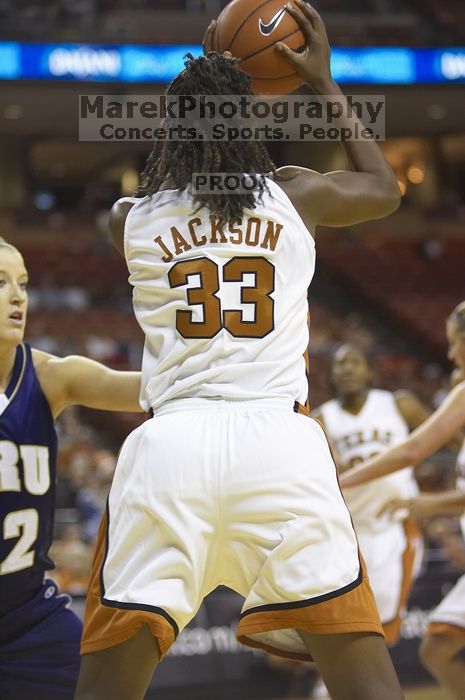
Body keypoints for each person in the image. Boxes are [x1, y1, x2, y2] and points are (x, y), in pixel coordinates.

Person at [73, 3, 405, 699]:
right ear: (247, 123)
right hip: (280, 445)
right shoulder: (294, 194)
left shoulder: (127, 220)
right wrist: (323, 82)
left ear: (173, 128)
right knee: (367, 685)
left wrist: (211, 70)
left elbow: (169, 191)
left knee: (108, 686)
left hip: (170, 448)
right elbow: (382, 189)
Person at [0, 237, 143, 700]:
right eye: (0, 283)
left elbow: (150, 388)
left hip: (28, 617)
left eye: (22, 283)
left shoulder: (48, 377)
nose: (18, 296)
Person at [341, 302, 465, 700]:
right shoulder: (327, 417)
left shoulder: (454, 394)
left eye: (453, 343)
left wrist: (341, 482)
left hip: (387, 531)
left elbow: (411, 451)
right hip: (357, 531)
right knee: (438, 647)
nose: (449, 354)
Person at [313, 344, 431, 646]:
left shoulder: (397, 404)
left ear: (369, 371)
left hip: (395, 527)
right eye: (340, 364)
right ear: (332, 376)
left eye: (355, 362)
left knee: (381, 623)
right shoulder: (321, 420)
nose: (348, 368)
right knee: (344, 618)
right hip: (348, 532)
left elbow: (447, 436)